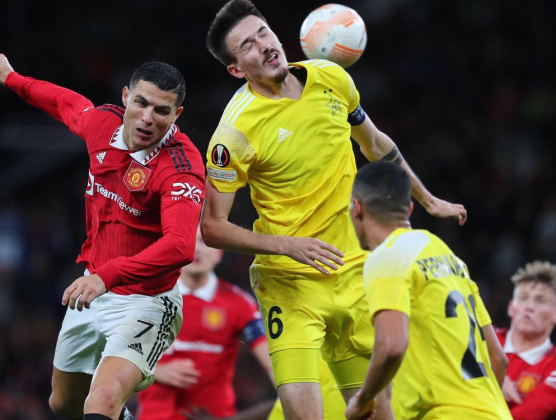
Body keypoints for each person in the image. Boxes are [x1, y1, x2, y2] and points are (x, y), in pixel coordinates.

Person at [201, 1, 466, 419]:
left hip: (354, 270)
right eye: (247, 46)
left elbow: (375, 144)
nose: (265, 46)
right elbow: (213, 227)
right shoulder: (233, 134)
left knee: (377, 413)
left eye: (264, 32)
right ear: (236, 69)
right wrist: (288, 245)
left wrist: (429, 199)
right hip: (290, 286)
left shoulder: (332, 78)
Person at [0, 54, 205, 420]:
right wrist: (12, 78)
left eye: (162, 111)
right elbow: (65, 103)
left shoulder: (181, 168)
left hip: (147, 300)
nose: (148, 118)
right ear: (126, 97)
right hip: (93, 287)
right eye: (141, 103)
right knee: (64, 404)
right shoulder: (103, 124)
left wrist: (107, 276)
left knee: (102, 402)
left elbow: (180, 246)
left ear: (177, 115)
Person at [345, 161, 510, 420]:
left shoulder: (387, 257)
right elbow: (498, 359)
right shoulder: (450, 257)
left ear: (357, 208)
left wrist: (361, 401)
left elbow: (391, 346)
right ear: (409, 209)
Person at [135, 228, 274, 420]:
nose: (197, 250)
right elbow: (109, 355)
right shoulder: (148, 298)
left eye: (204, 242)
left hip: (216, 416)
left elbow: (272, 362)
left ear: (218, 253)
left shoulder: (240, 303)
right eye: (189, 242)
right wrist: (154, 370)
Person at [496, 260, 556, 420]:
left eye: (540, 300)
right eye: (523, 298)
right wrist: (491, 381)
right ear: (511, 307)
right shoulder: (482, 339)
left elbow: (530, 416)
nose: (529, 306)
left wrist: (483, 386)